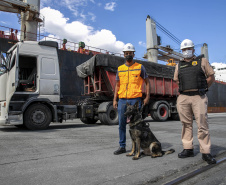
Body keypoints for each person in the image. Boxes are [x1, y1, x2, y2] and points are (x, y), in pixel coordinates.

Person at [174, 39, 216, 164]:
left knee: (202, 124)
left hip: (199, 96)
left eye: (188, 49)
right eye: (184, 50)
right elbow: (177, 80)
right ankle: (188, 149)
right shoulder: (178, 65)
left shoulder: (202, 61)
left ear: (193, 49)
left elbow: (211, 77)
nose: (186, 51)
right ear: (181, 51)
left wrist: (204, 88)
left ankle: (206, 152)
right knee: (185, 124)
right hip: (184, 97)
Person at [113, 43, 150, 155]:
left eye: (130, 53)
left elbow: (147, 82)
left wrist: (147, 96)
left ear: (133, 54)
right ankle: (122, 146)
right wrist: (115, 99)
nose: (128, 55)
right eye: (126, 53)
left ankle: (138, 147)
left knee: (137, 125)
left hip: (135, 100)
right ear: (123, 54)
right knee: (121, 123)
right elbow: (117, 85)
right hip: (122, 100)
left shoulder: (140, 67)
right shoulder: (120, 68)